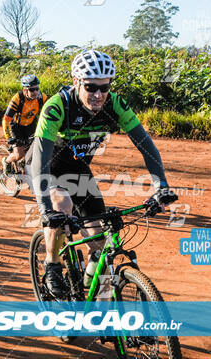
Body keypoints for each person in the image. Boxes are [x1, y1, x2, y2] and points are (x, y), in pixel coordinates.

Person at [30, 49, 178, 298]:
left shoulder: (115, 104)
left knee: (99, 240)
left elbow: (146, 145)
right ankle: (52, 264)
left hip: (77, 169)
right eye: (90, 87)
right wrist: (46, 208)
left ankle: (86, 288)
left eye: (104, 87)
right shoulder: (57, 106)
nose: (98, 94)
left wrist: (160, 186)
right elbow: (40, 161)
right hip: (44, 166)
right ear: (77, 82)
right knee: (62, 204)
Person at [1, 75, 47, 172]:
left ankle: (24, 164)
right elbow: (6, 119)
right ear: (25, 90)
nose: (35, 92)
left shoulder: (41, 98)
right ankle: (7, 161)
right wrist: (8, 137)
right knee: (19, 154)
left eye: (37, 89)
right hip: (16, 127)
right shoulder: (18, 98)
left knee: (36, 150)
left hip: (30, 125)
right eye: (32, 90)